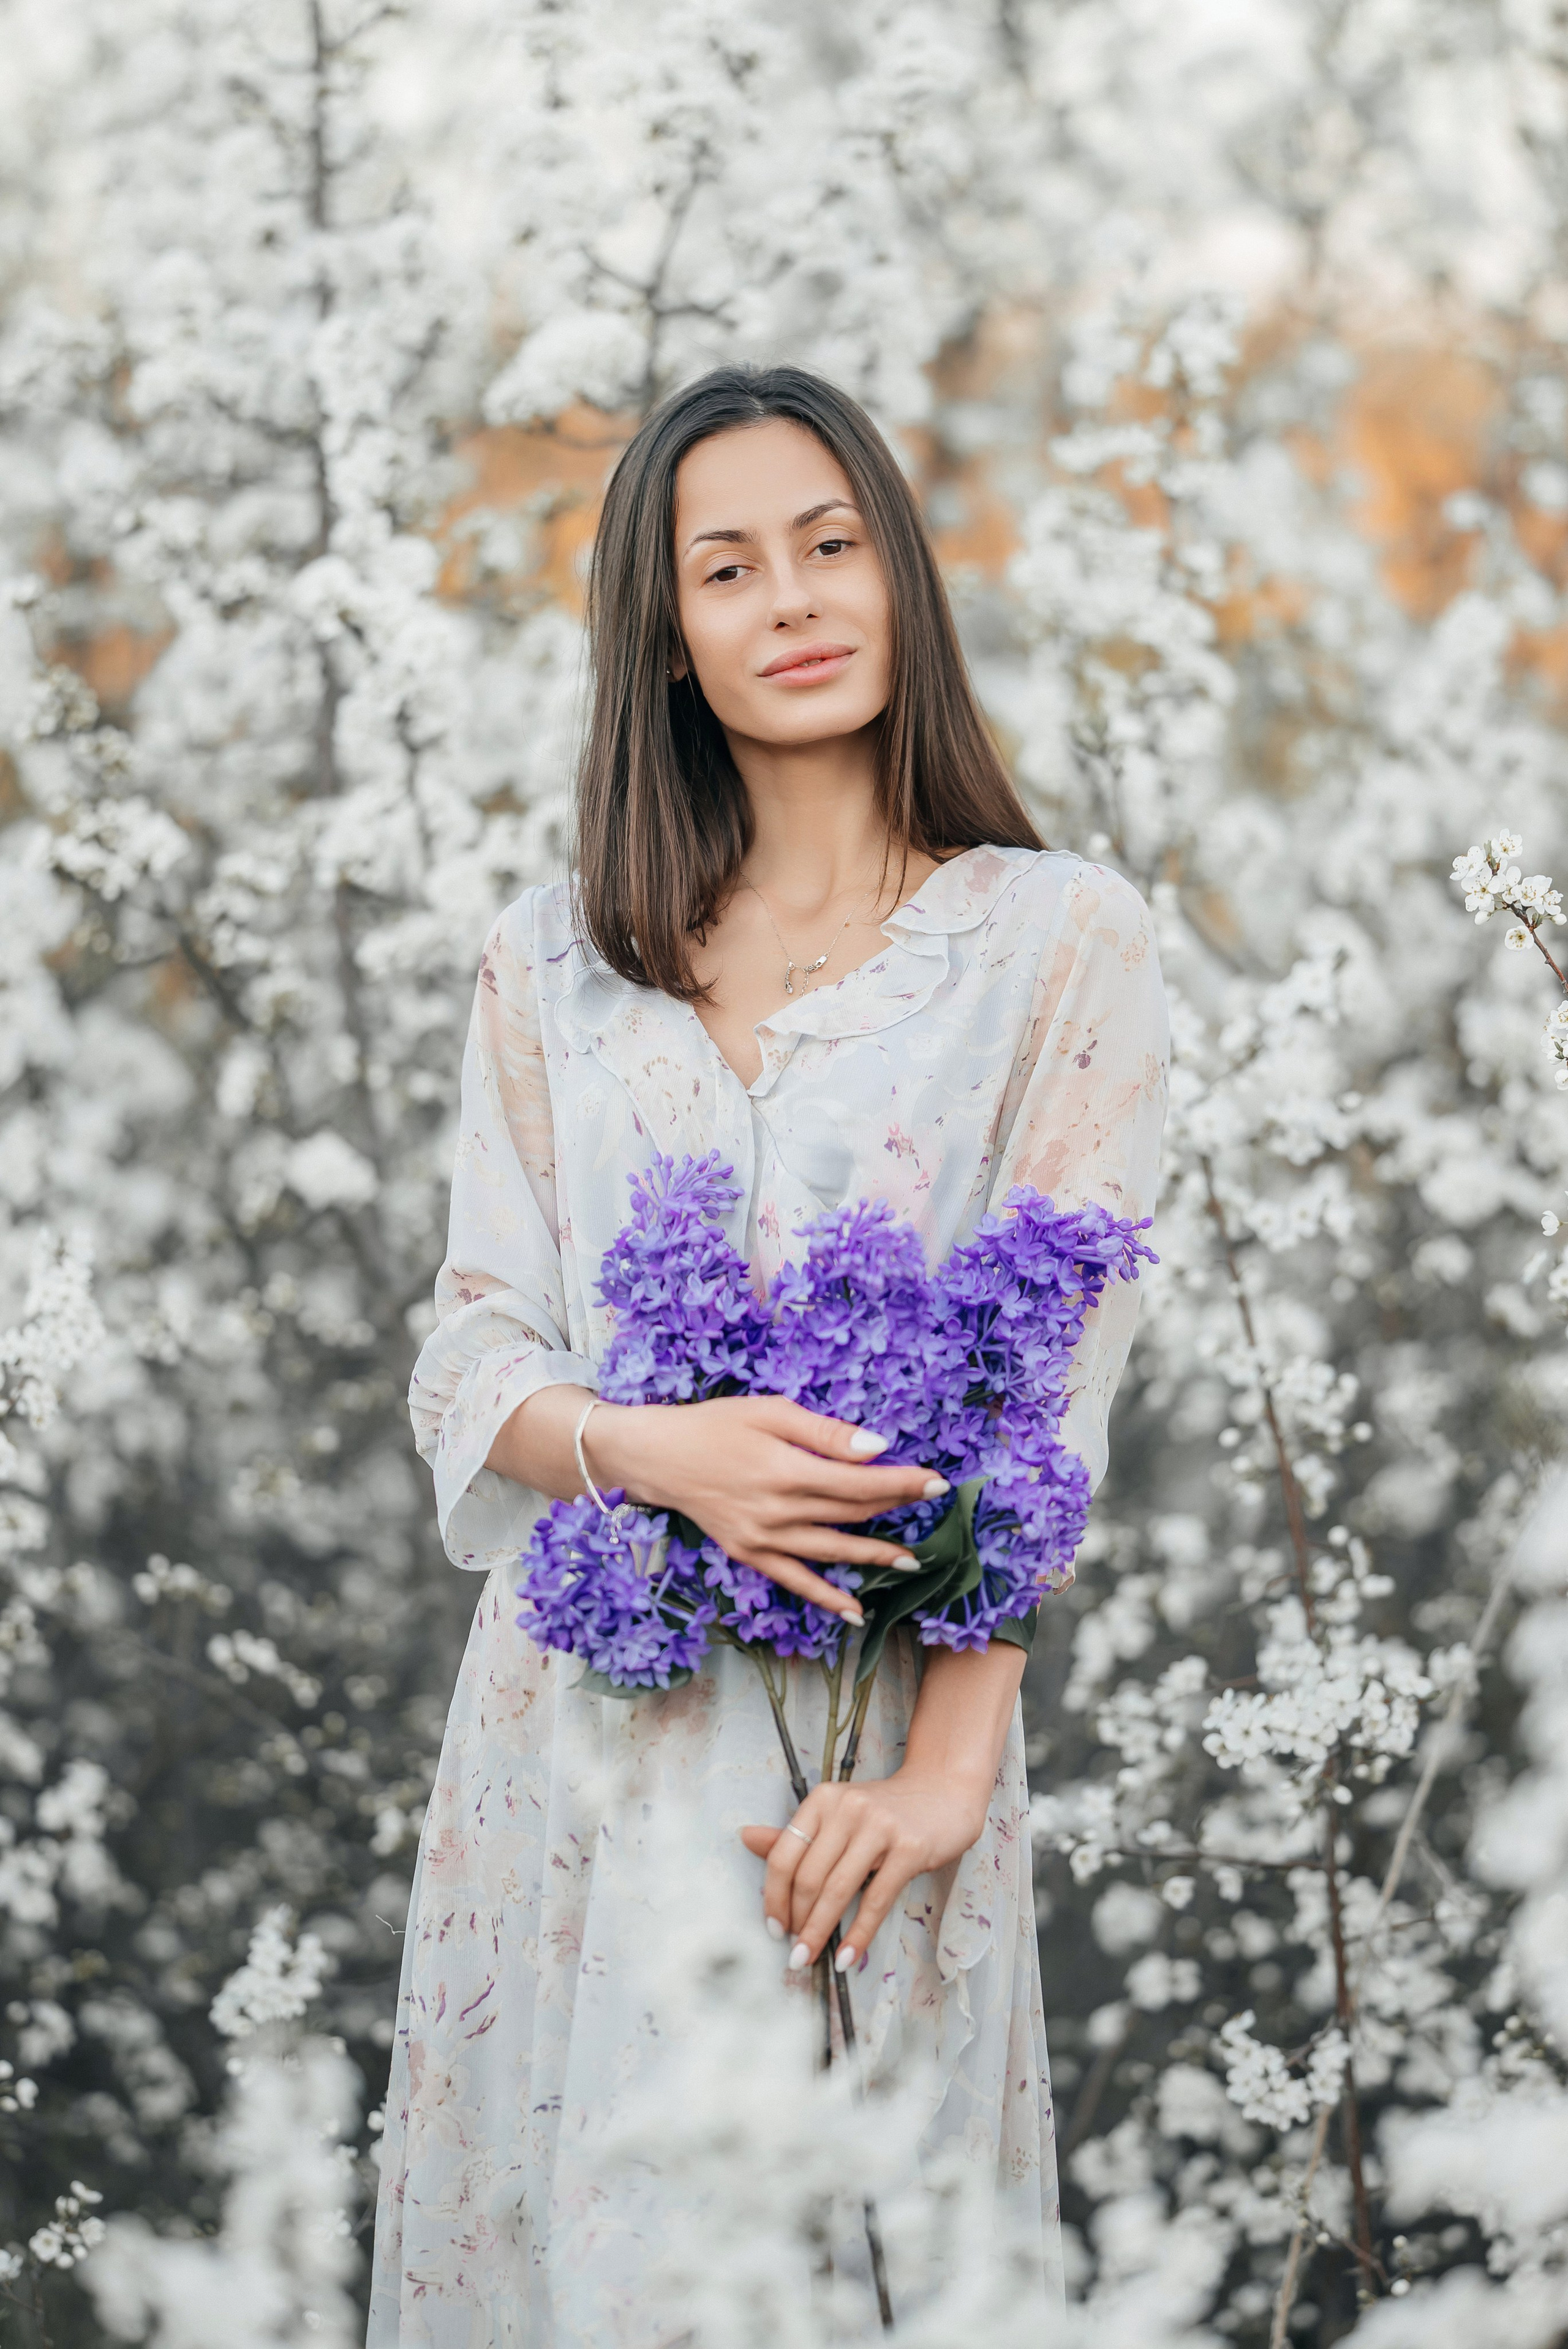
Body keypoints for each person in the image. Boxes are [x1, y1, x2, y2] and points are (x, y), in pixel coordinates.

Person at [367, 363, 1168, 2345]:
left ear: (900, 573)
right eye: (727, 569)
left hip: (864, 1759)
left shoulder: (1059, 945)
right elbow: (471, 1348)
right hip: (579, 1742)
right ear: (665, 636)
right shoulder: (552, 960)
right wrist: (654, 1451)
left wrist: (945, 1782)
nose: (793, 599)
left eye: (830, 544)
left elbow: (1050, 1399)